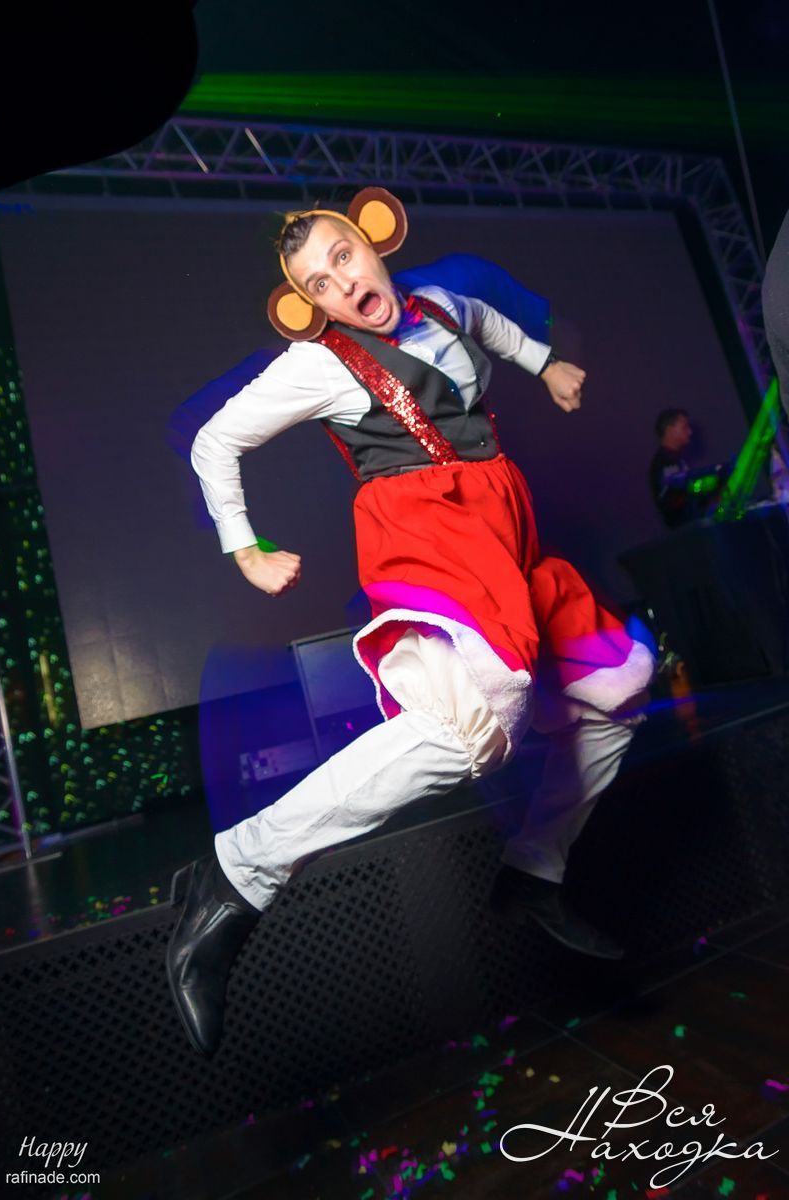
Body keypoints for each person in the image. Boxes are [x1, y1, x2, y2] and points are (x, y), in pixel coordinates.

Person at [166, 188, 655, 1058]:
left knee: (621, 681)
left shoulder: (441, 301)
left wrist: (545, 363)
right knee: (477, 722)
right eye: (318, 285)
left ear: (374, 239)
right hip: (429, 535)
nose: (342, 285)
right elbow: (216, 441)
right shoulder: (321, 365)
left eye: (343, 257)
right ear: (308, 306)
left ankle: (536, 869)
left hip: (503, 528)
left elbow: (491, 327)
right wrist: (246, 549)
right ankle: (236, 874)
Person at [649, 408, 731, 528]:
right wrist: (706, 485)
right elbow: (673, 498)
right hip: (689, 530)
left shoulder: (673, 461)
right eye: (684, 427)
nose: (690, 432)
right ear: (670, 430)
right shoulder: (665, 462)